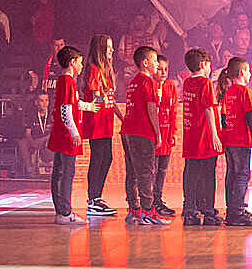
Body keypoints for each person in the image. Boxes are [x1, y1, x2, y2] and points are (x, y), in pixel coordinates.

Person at [48, 45, 98, 225]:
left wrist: (88, 106)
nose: (82, 65)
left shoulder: (65, 81)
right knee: (66, 173)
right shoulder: (67, 81)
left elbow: (73, 103)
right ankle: (65, 212)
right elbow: (65, 110)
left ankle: (61, 211)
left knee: (60, 172)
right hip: (65, 136)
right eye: (80, 61)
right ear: (72, 62)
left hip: (61, 134)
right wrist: (74, 132)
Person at [121, 46, 167, 226]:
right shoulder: (148, 82)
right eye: (154, 60)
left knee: (132, 171)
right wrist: (158, 132)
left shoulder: (133, 81)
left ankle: (134, 209)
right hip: (141, 132)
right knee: (146, 171)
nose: (157, 64)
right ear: (145, 63)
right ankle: (148, 211)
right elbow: (151, 109)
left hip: (127, 131)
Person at [217, 56, 252, 227]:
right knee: (242, 175)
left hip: (229, 139)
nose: (250, 74)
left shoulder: (227, 93)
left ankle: (232, 211)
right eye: (249, 71)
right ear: (242, 72)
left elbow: (223, 118)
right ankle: (238, 213)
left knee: (232, 175)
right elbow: (250, 117)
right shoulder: (245, 92)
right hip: (241, 140)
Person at [181, 48, 222, 227]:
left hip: (190, 135)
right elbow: (208, 108)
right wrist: (215, 134)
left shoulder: (187, 82)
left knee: (191, 174)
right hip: (204, 136)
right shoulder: (205, 83)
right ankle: (208, 211)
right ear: (204, 64)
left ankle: (190, 210)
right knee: (207, 175)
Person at [82, 34, 120, 217]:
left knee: (107, 158)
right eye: (108, 47)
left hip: (106, 122)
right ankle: (93, 200)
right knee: (99, 158)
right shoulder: (94, 69)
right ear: (100, 49)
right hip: (96, 122)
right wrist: (99, 96)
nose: (112, 50)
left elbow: (111, 100)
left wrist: (121, 116)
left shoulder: (107, 70)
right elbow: (96, 95)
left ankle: (96, 198)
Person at [151, 55, 177, 219]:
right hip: (154, 134)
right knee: (152, 170)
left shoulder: (170, 85)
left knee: (162, 169)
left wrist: (173, 132)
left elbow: (173, 109)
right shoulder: (150, 85)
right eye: (159, 69)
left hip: (167, 133)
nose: (163, 72)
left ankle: (158, 200)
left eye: (165, 69)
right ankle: (150, 202)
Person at [18, 92, 51, 177]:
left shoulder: (53, 114)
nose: (44, 104)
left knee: (50, 138)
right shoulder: (31, 114)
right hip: (36, 140)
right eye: (41, 101)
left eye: (46, 100)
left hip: (48, 141)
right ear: (36, 102)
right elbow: (27, 133)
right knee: (23, 142)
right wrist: (32, 142)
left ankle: (49, 165)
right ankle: (30, 169)